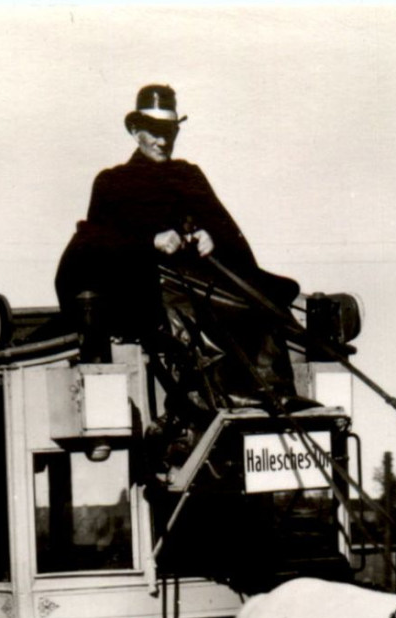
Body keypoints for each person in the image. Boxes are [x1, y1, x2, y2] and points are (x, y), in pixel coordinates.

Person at [54, 84, 315, 414]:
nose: (163, 142)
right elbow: (94, 243)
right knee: (186, 306)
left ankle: (275, 389)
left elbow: (229, 232)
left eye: (170, 132)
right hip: (144, 289)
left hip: (200, 277)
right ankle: (221, 392)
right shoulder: (111, 182)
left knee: (261, 296)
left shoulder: (189, 176)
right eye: (154, 132)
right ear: (135, 131)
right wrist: (150, 242)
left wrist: (212, 237)